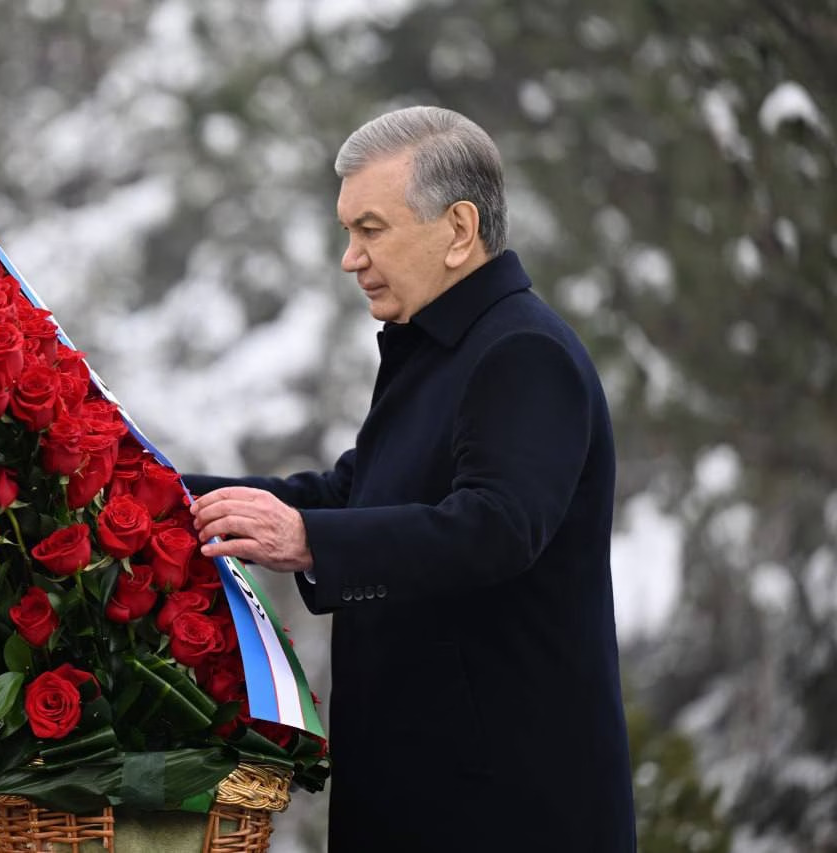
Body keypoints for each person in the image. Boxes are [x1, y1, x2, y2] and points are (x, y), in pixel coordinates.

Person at [186, 106, 637, 851]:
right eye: (347, 231)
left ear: (459, 229)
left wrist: (308, 539)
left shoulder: (524, 353)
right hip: (426, 796)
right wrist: (154, 487)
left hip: (502, 813)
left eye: (371, 229)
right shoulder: (435, 348)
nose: (350, 258)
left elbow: (496, 526)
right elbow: (349, 495)